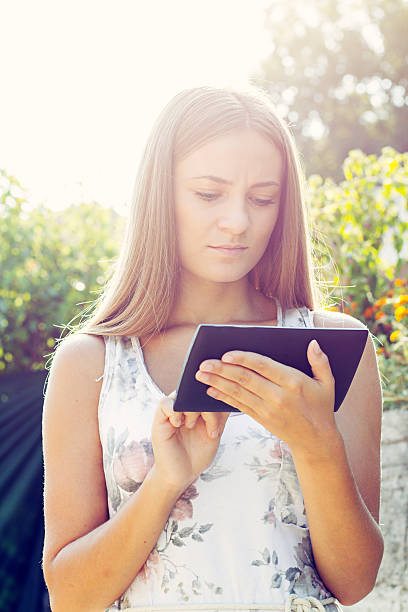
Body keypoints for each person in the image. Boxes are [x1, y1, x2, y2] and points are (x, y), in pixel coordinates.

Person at [41, 85, 384, 612]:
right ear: (161, 193)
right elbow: (69, 597)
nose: (239, 222)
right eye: (208, 194)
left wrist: (317, 448)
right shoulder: (91, 363)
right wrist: (165, 482)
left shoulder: (333, 348)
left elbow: (356, 581)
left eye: (262, 198)